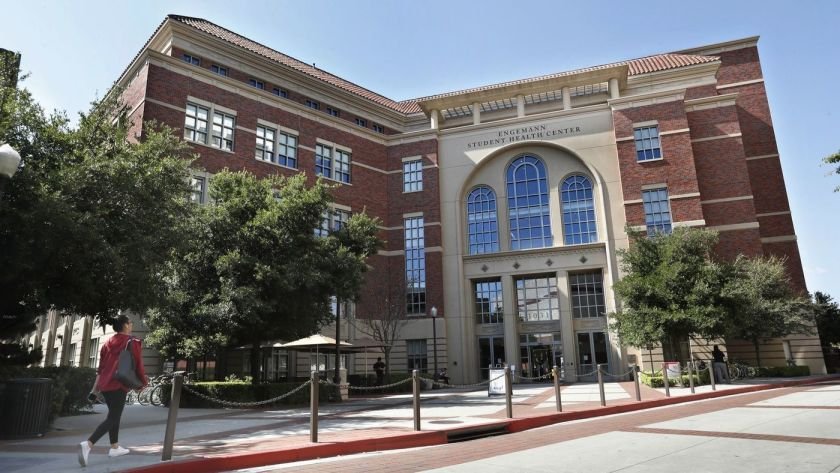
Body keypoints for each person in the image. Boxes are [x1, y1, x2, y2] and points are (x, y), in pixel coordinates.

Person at [78, 315, 147, 467]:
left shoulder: (107, 342)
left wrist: (95, 389)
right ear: (125, 325)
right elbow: (139, 365)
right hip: (119, 384)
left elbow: (101, 368)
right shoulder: (132, 342)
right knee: (113, 417)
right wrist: (142, 383)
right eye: (130, 322)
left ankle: (115, 447)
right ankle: (88, 444)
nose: (132, 324)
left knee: (114, 415)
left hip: (105, 385)